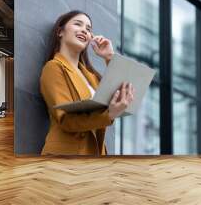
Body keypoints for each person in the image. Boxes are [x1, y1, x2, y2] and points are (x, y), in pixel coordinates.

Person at [40, 10, 134, 155]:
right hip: (65, 155)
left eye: (88, 29)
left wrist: (109, 56)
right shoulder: (53, 67)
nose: (84, 30)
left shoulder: (92, 77)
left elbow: (126, 92)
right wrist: (108, 115)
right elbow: (65, 119)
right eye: (78, 24)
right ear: (60, 32)